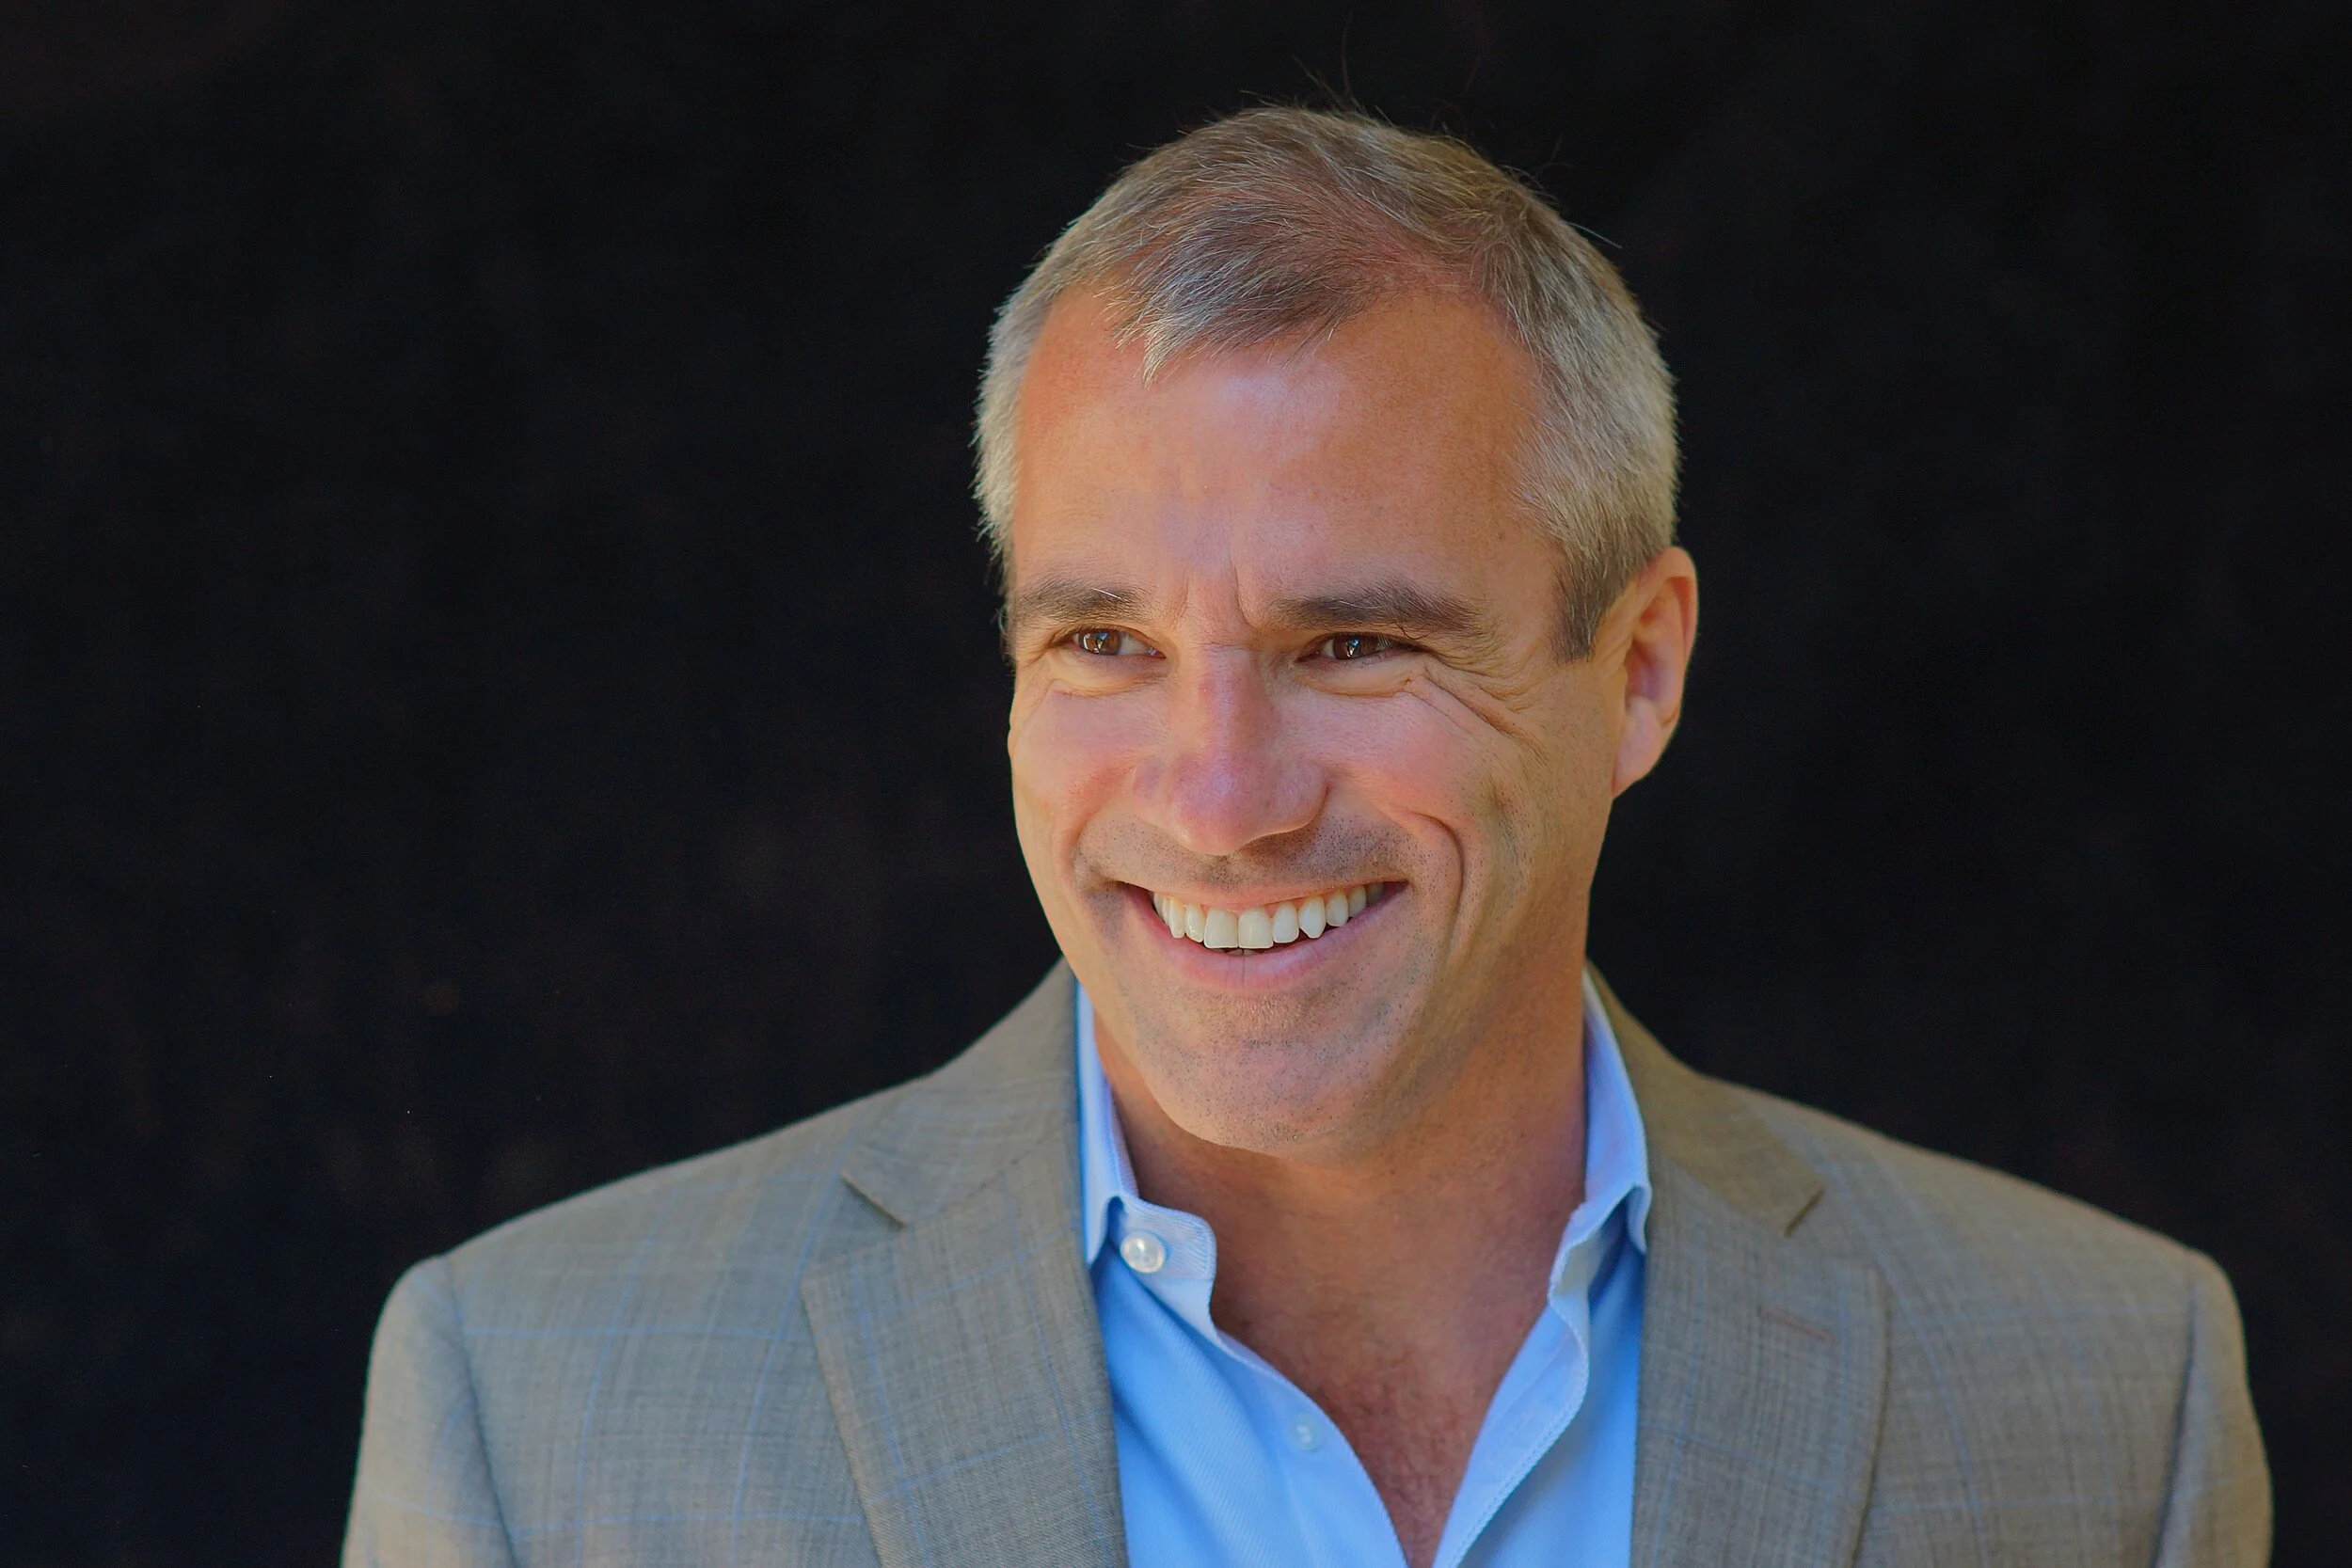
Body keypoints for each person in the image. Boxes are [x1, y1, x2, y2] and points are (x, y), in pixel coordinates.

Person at [343, 108, 2269, 1568]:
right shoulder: (536, 1409)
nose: (1215, 794)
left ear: (1640, 667)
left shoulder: (2106, 1395)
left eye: (1351, 644)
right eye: (1103, 641)